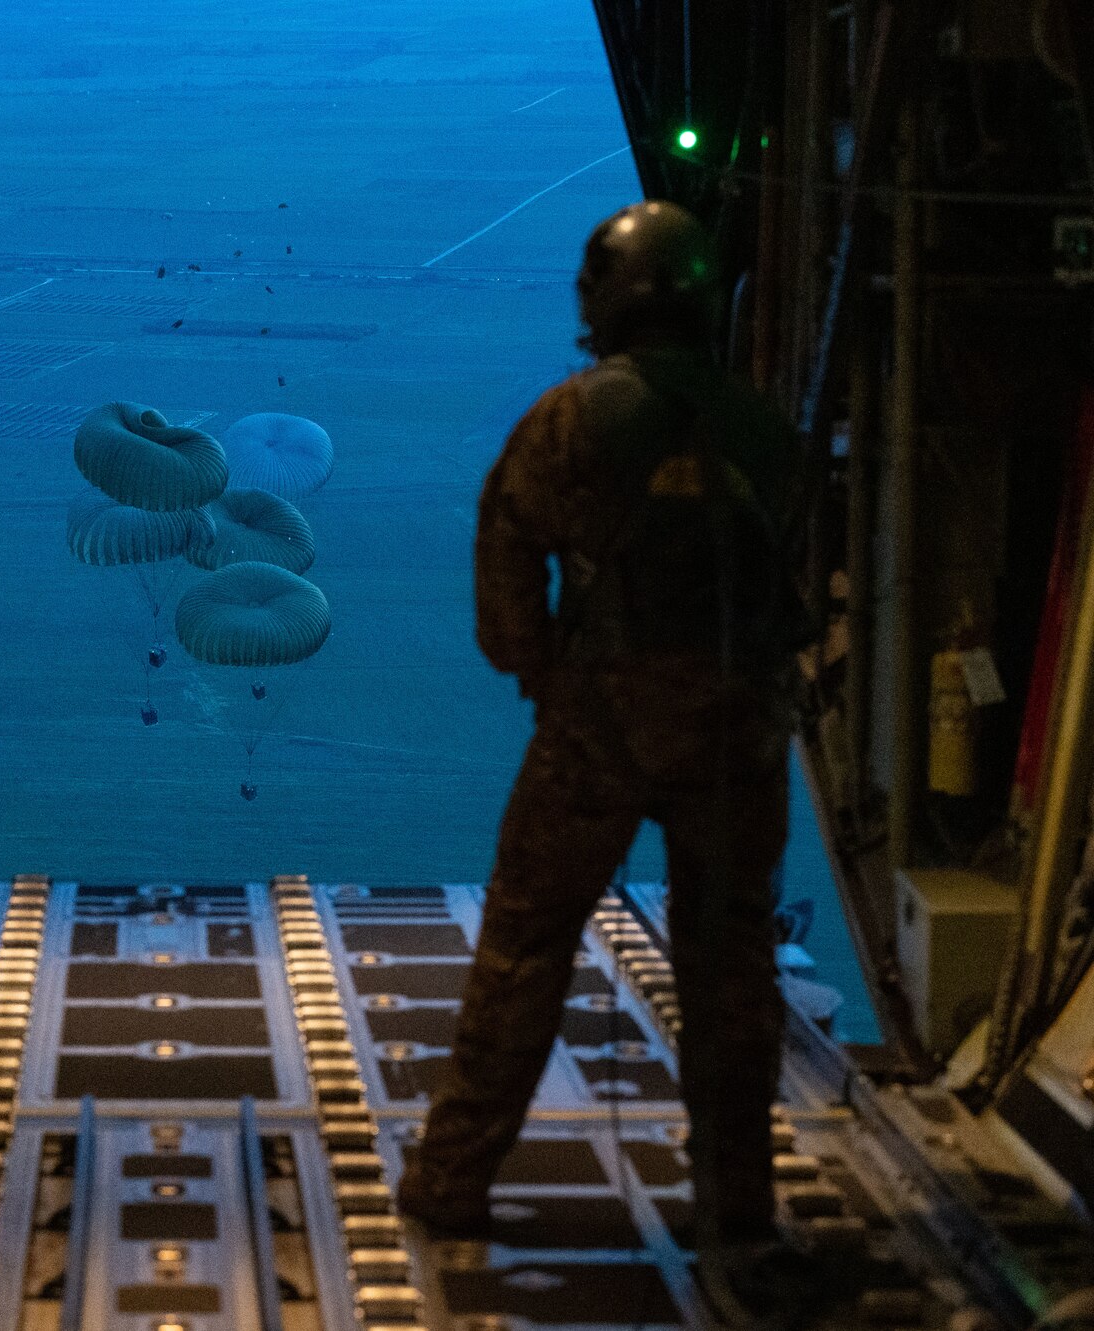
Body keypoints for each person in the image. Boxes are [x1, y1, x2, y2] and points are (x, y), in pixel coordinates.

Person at [398, 200, 826, 1324]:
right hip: (736, 738)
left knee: (524, 945)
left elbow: (507, 554)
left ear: (603, 301)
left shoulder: (571, 421)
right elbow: (806, 575)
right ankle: (736, 1205)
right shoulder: (762, 428)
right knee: (731, 969)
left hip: (597, 729)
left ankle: (452, 1180)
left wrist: (541, 671)